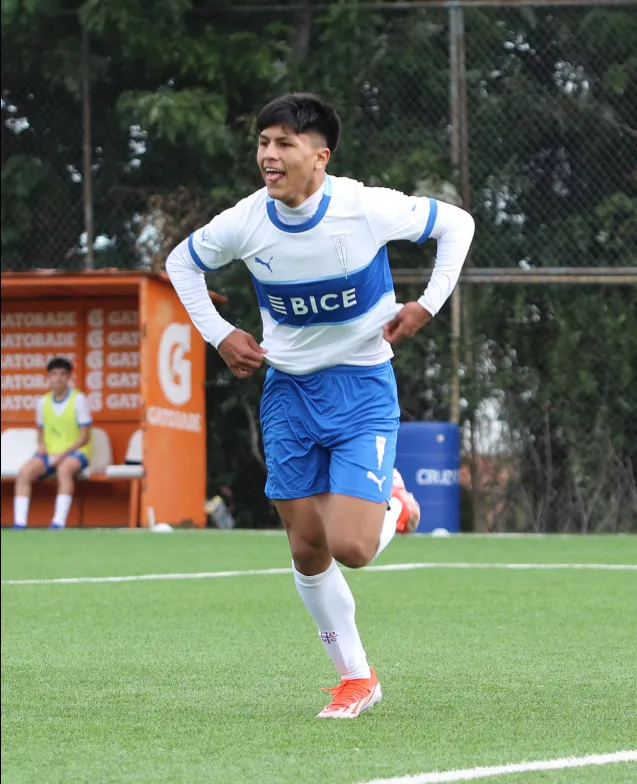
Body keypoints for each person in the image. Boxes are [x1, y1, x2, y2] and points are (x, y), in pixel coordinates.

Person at [166, 93, 474, 717]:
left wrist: (428, 303)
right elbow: (181, 262)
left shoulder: (364, 206)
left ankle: (399, 506)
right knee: (307, 546)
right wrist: (220, 335)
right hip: (288, 393)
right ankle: (357, 678)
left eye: (283, 143)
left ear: (320, 155)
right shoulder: (247, 220)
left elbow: (457, 225)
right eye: (262, 144)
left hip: (361, 387)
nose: (268, 156)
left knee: (352, 548)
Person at [13, 357, 93, 530]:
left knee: (64, 470)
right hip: (50, 453)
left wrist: (61, 455)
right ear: (48, 377)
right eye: (54, 374)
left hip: (76, 452)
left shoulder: (79, 399)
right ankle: (19, 523)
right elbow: (41, 433)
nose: (58, 378)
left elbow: (85, 436)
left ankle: (58, 523)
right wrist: (42, 447)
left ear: (69, 377)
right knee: (24, 473)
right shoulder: (42, 402)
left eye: (63, 374)